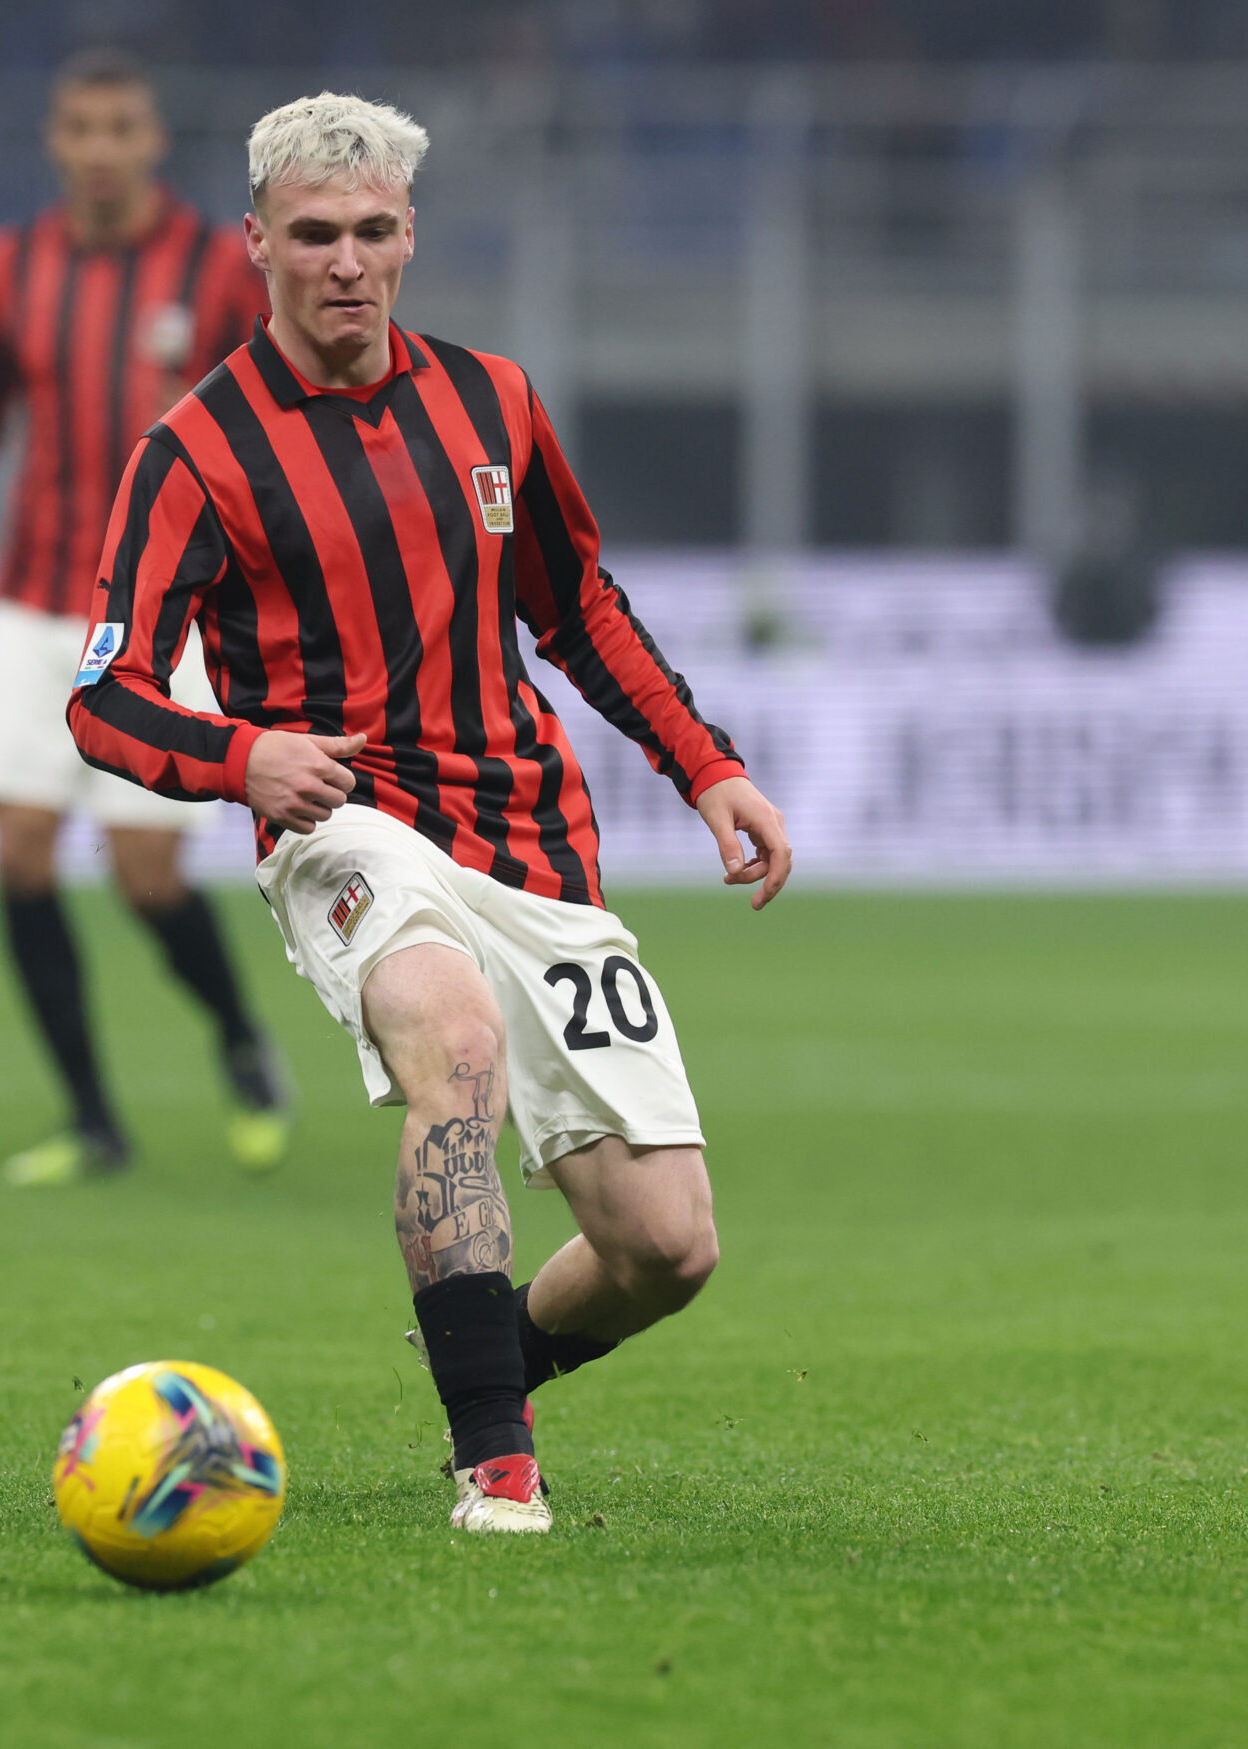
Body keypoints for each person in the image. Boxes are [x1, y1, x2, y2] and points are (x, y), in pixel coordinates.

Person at [68, 93, 793, 1533]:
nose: (346, 262)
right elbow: (105, 697)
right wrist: (241, 758)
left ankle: (487, 1354)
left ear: (410, 235)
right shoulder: (196, 450)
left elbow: (578, 609)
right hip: (347, 826)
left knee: (666, 1248)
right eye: (313, 235)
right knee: (453, 1045)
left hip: (530, 838)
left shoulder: (492, 402)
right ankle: (496, 1463)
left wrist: (708, 766)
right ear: (257, 242)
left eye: (372, 231)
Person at [0, 47, 289, 1188]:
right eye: (82, 128)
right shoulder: (9, 267)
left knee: (145, 874)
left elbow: (280, 407)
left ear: (153, 140)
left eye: (122, 127)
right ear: (56, 142)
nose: (102, 149)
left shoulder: (218, 268)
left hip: (170, 609)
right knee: (20, 851)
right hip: (33, 597)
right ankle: (91, 1119)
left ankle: (239, 1038)